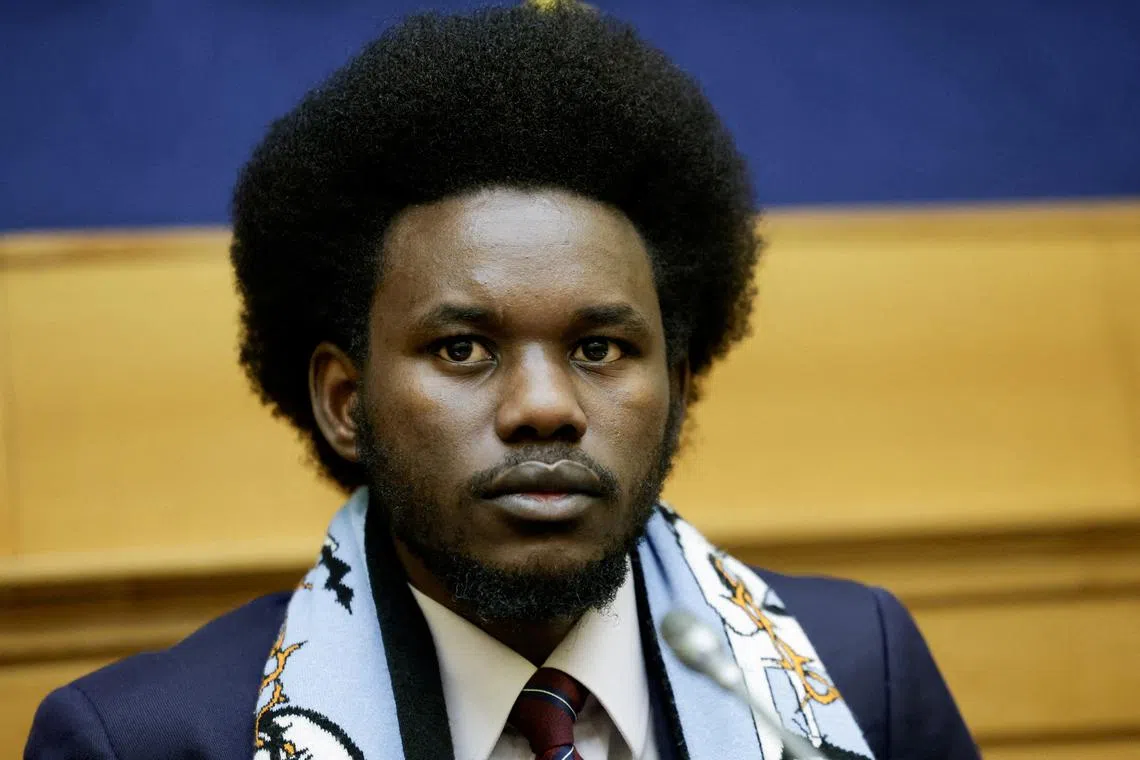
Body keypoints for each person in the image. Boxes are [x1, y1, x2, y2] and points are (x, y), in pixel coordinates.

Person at [26, 4, 979, 759]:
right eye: (464, 350)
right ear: (344, 403)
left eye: (600, 349)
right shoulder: (146, 741)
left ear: (678, 388)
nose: (544, 408)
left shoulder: (858, 670)